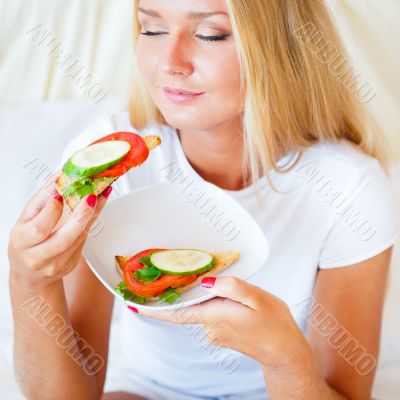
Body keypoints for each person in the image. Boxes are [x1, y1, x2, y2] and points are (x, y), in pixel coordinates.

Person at [8, 0, 399, 399]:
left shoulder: (350, 188)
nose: (169, 62)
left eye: (210, 34)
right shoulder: (110, 160)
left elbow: (345, 393)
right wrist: (30, 282)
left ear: (283, 49)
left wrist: (284, 356)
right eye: (152, 29)